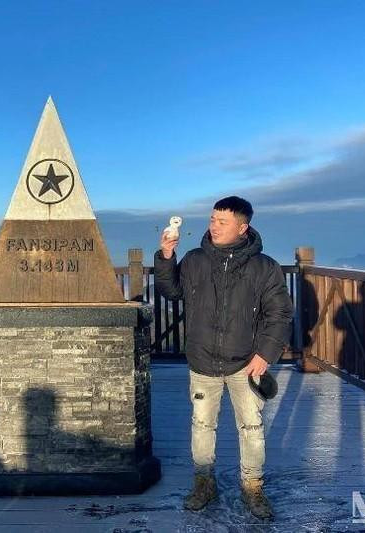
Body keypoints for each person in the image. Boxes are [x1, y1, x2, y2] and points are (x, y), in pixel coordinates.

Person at [154, 196, 293, 519]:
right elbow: (170, 291)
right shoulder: (194, 259)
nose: (213, 226)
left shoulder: (264, 267)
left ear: (242, 228)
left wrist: (265, 354)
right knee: (202, 426)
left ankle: (253, 488)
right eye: (212, 219)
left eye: (222, 221)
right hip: (203, 360)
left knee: (252, 428)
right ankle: (204, 483)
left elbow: (280, 313)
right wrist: (166, 256)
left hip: (247, 363)